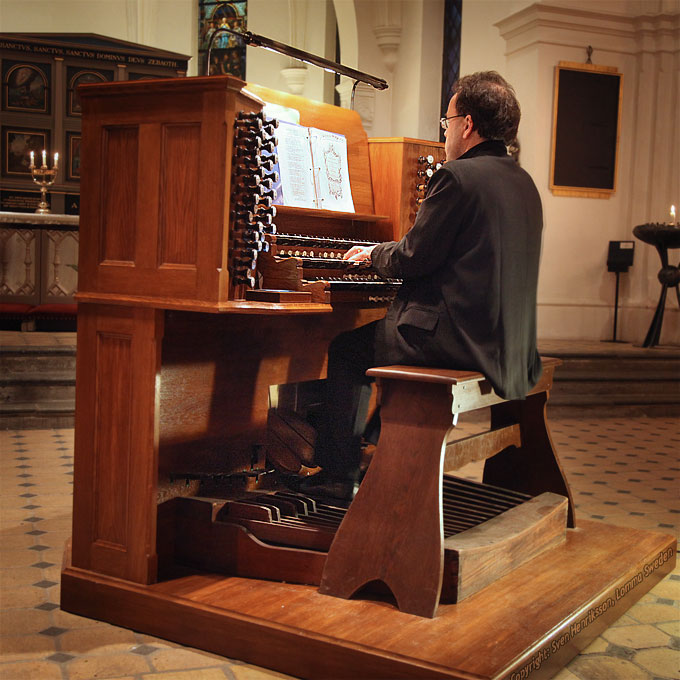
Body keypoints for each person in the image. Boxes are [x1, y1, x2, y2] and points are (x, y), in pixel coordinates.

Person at [301, 71, 544, 499]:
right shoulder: (522, 183)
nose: (446, 131)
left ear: (467, 125)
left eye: (446, 121)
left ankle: (337, 476)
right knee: (368, 343)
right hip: (507, 341)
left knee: (345, 350)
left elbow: (414, 257)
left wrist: (372, 254)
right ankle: (376, 443)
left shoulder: (456, 177)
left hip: (456, 340)